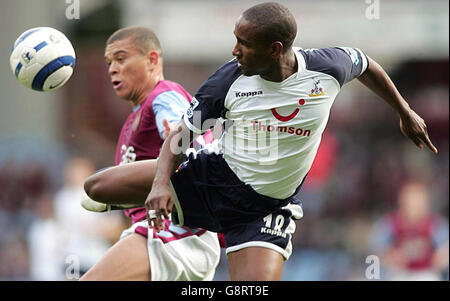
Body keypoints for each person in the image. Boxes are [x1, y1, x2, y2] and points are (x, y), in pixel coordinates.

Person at [84, 3, 438, 280]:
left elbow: (367, 64)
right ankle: (172, 218)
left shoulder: (326, 69)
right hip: (213, 179)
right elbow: (181, 133)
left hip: (264, 210)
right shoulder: (228, 80)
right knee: (96, 188)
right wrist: (161, 183)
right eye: (236, 39)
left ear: (275, 49)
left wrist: (405, 112)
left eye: (244, 43)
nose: (235, 50)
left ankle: (185, 237)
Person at [80, 26, 220, 281]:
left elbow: (181, 135)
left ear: (152, 59)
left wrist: (175, 137)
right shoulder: (135, 116)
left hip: (177, 235)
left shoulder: (164, 94)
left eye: (121, 59)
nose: (112, 68)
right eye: (109, 62)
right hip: (166, 236)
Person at [371, 181, 449, 280]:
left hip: (427, 273)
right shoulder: (390, 223)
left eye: (419, 201)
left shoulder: (436, 225)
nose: (415, 205)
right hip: (399, 273)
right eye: (412, 200)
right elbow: (377, 250)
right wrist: (391, 256)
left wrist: (438, 258)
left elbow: (444, 252)